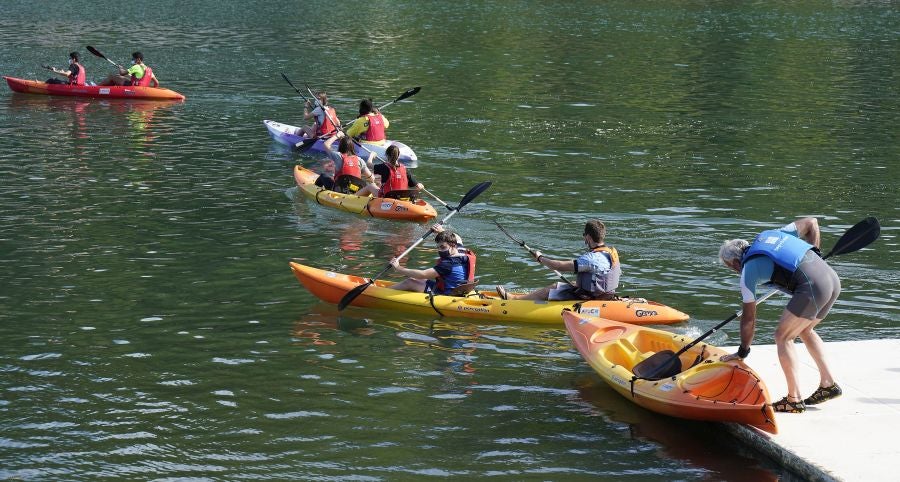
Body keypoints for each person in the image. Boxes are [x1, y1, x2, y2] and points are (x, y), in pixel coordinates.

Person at [718, 217, 842, 414]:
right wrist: (814, 254)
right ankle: (828, 384)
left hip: (813, 288)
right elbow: (811, 222)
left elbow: (749, 319)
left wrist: (742, 352)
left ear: (734, 263)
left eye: (730, 267)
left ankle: (793, 400)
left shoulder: (747, 271)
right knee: (806, 330)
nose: (733, 270)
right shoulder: (774, 235)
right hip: (832, 281)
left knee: (783, 336)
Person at [496, 219, 621, 301]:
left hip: (590, 298)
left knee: (555, 287)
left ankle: (515, 300)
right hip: (605, 295)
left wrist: (540, 258)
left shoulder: (591, 258)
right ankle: (526, 296)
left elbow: (559, 266)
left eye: (584, 235)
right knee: (573, 282)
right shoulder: (609, 254)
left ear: (588, 237)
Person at [389, 227, 476, 296]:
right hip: (461, 290)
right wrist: (441, 231)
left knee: (410, 282)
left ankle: (382, 292)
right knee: (414, 279)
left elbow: (423, 274)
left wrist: (398, 268)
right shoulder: (462, 251)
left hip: (449, 294)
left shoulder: (448, 263)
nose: (440, 250)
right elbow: (458, 238)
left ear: (453, 245)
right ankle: (388, 289)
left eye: (442, 247)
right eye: (438, 248)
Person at [355, 144, 424, 198]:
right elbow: (417, 186)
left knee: (371, 185)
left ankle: (351, 198)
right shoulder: (404, 169)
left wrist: (371, 155)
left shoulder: (384, 167)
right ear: (398, 155)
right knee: (379, 183)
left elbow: (369, 165)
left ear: (387, 155)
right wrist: (419, 185)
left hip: (387, 197)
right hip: (402, 197)